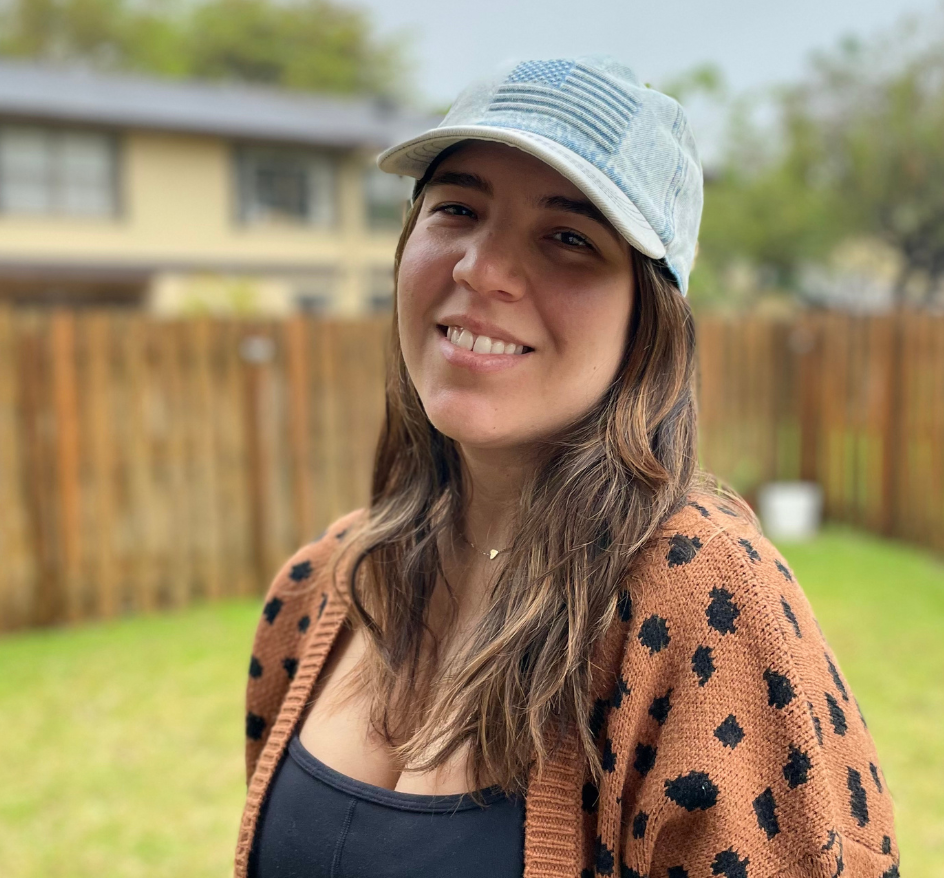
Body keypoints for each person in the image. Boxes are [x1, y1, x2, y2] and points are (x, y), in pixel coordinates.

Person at [235, 55, 899, 878]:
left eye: (568, 237)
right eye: (457, 208)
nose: (482, 269)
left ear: (647, 318)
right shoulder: (321, 586)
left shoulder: (709, 599)